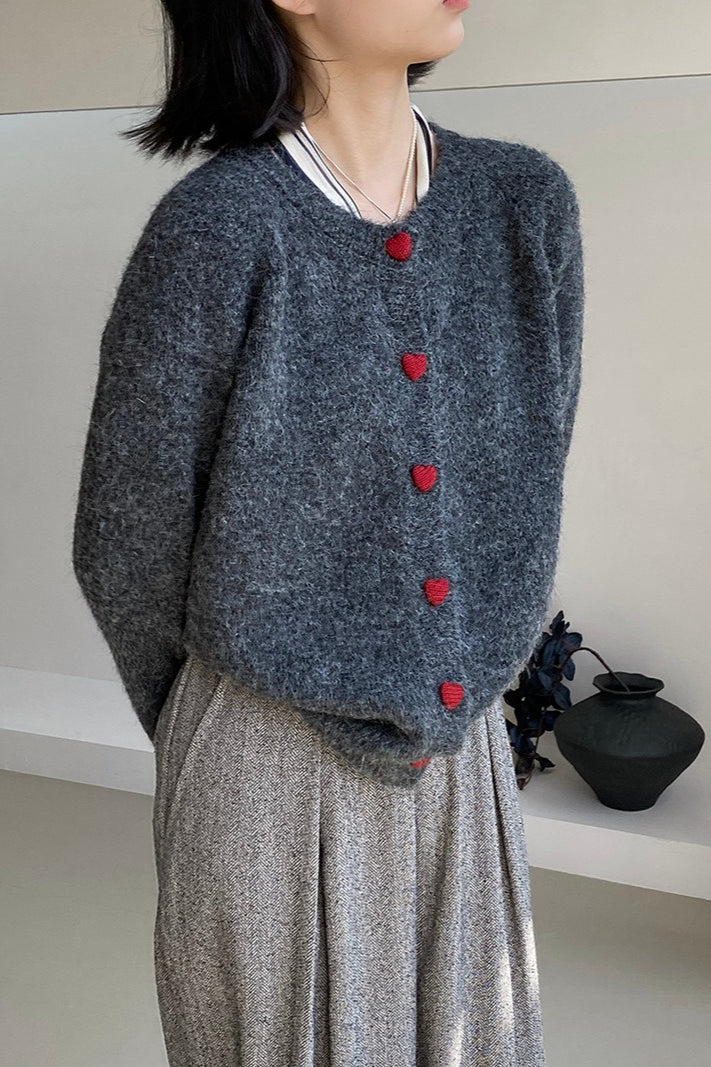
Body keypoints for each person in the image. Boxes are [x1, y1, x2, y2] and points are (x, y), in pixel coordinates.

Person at [72, 0, 585, 1063]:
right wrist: (224, 730)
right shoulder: (217, 229)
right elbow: (126, 539)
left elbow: (533, 463)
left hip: (464, 756)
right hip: (265, 757)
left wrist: (462, 675)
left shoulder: (523, 205)